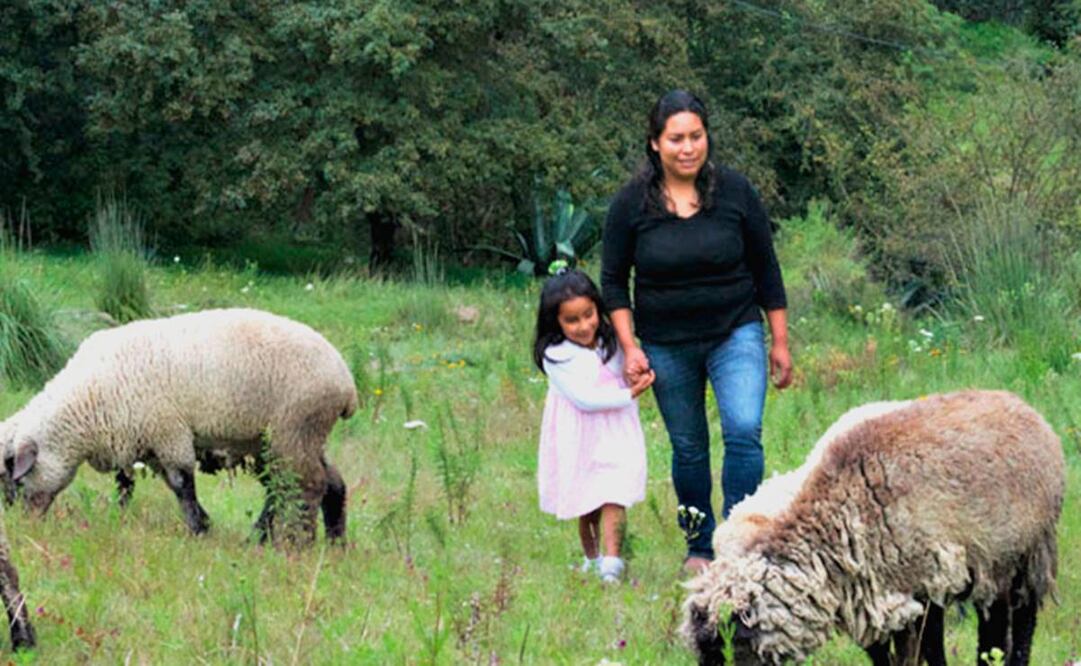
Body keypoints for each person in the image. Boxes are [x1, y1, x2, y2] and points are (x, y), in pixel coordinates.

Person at [600, 90, 793, 575]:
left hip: (736, 331)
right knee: (688, 447)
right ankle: (700, 546)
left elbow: (766, 268)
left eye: (696, 136)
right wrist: (629, 348)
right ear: (655, 144)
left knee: (744, 431)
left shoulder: (736, 192)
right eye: (676, 139)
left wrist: (781, 342)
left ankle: (741, 541)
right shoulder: (630, 204)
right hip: (666, 343)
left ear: (707, 137)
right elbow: (612, 280)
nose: (687, 147)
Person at [533, 264, 655, 583]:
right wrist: (630, 394)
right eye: (571, 320)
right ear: (555, 322)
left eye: (588, 314)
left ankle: (613, 563)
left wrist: (635, 373)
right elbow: (585, 400)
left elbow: (624, 367)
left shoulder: (611, 341)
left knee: (615, 490)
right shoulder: (556, 355)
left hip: (616, 431)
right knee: (588, 497)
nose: (584, 325)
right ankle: (593, 557)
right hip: (580, 434)